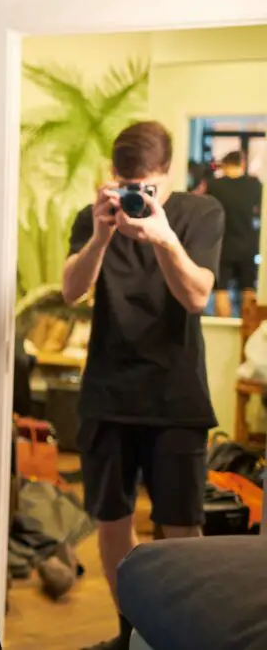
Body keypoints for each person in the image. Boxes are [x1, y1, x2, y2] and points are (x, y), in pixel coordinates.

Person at [61, 120, 225, 650]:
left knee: (181, 530)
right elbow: (70, 290)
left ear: (167, 176)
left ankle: (184, 638)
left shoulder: (202, 213)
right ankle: (129, 633)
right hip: (108, 395)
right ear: (114, 178)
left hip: (176, 397)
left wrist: (164, 237)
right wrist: (103, 235)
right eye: (128, 187)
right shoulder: (95, 218)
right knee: (112, 523)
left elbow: (197, 296)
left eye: (148, 189)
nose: (138, 198)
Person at [206, 150, 263, 317]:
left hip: (222, 245)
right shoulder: (254, 185)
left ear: (225, 164)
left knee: (221, 290)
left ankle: (224, 330)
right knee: (248, 289)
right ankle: (248, 331)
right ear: (242, 164)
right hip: (248, 244)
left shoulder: (215, 185)